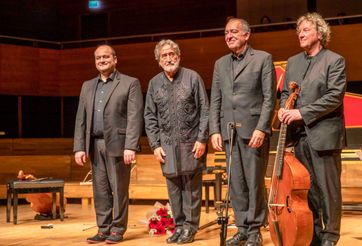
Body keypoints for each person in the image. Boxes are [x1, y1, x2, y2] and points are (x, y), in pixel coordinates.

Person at [278, 12, 347, 246]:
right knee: (307, 191)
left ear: (320, 33)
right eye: (299, 30)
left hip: (324, 136)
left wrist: (301, 112)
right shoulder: (294, 62)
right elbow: (286, 92)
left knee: (328, 190)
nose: (301, 34)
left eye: (306, 29)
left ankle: (331, 235)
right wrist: (283, 108)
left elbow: (334, 96)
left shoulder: (334, 60)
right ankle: (315, 233)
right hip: (300, 138)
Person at [209, 18, 276, 246]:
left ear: (247, 35)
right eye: (226, 32)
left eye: (234, 32)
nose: (229, 35)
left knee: (254, 181)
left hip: (253, 132)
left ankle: (255, 228)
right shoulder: (220, 63)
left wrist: (262, 128)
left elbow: (270, 98)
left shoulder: (263, 59)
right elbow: (215, 100)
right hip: (229, 132)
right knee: (235, 183)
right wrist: (214, 130)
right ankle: (242, 227)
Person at [73, 44, 143, 244]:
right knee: (100, 189)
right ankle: (103, 229)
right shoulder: (87, 86)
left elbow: (135, 117)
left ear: (115, 60)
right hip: (94, 145)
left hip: (119, 145)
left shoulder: (130, 83)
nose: (102, 60)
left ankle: (118, 229)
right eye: (98, 58)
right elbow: (81, 119)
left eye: (106, 57)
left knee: (119, 189)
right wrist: (79, 147)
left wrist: (131, 145)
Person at [144, 39, 209, 244]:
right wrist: (155, 145)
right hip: (166, 147)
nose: (169, 58)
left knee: (191, 189)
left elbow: (205, 110)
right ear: (158, 60)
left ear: (179, 56)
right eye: (164, 55)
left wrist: (202, 138)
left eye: (172, 54)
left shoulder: (192, 77)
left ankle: (190, 228)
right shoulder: (154, 83)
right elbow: (149, 116)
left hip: (191, 144)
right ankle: (179, 227)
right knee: (173, 189)